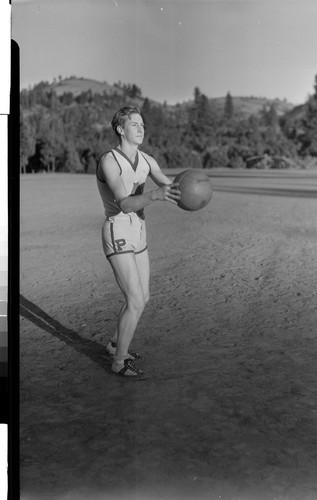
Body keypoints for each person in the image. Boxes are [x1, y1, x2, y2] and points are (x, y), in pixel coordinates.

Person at [96, 105, 181, 380]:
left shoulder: (146, 159)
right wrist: (156, 196)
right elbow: (124, 203)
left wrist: (193, 191)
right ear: (121, 129)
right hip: (117, 229)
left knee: (143, 298)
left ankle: (113, 344)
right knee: (134, 300)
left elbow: (174, 188)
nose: (141, 128)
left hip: (139, 231)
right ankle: (119, 361)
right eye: (135, 124)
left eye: (142, 124)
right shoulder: (110, 161)